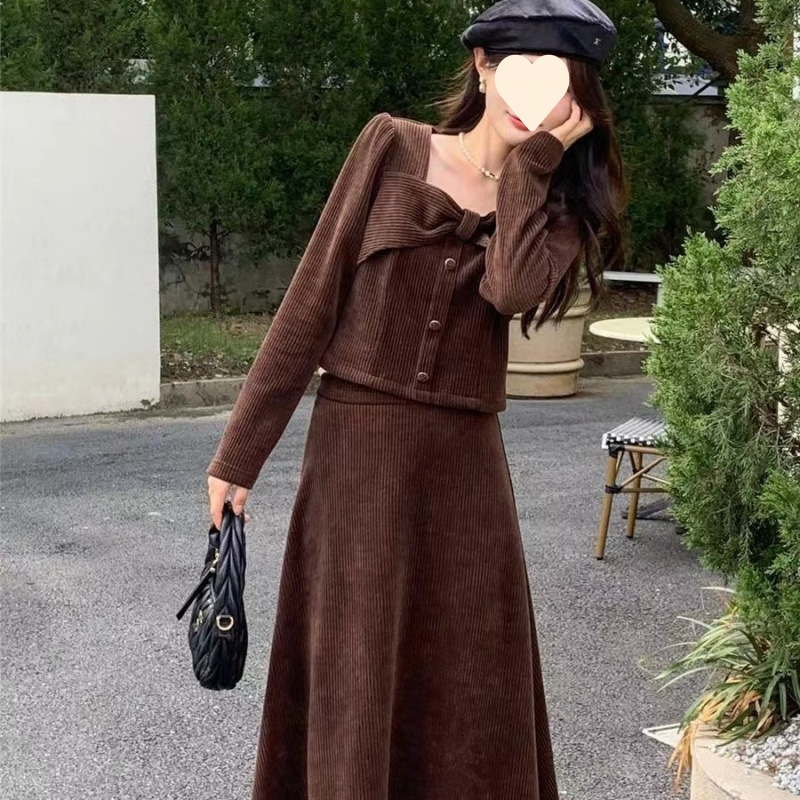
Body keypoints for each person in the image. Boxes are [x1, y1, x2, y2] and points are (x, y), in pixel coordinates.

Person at [206, 0, 626, 797]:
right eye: (521, 72)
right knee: (355, 669)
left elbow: (509, 291)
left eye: (558, 85)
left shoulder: (557, 215)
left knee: (470, 681)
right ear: (483, 67)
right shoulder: (390, 146)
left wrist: (531, 168)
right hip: (356, 459)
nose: (533, 98)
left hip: (466, 477)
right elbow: (311, 302)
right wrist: (239, 454)